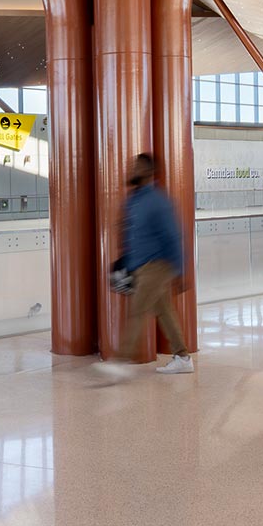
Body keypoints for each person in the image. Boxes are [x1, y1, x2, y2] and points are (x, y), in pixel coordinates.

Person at [96, 153, 193, 379]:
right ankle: (183, 358)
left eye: (137, 167)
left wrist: (181, 270)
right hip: (140, 265)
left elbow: (173, 236)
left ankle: (119, 363)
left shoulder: (158, 201)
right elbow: (131, 235)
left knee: (137, 311)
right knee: (165, 311)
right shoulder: (133, 200)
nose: (131, 170)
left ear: (148, 172)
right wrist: (125, 265)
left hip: (157, 264)